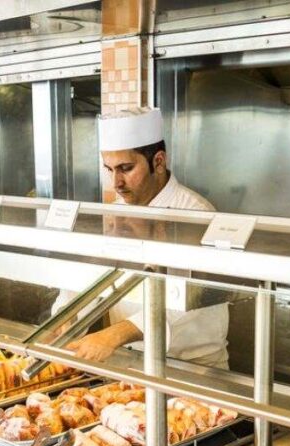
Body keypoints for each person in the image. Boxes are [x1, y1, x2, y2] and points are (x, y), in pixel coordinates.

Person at [61, 107, 229, 368]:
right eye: (109, 170)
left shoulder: (196, 215)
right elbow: (92, 274)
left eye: (126, 168)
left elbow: (186, 301)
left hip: (194, 367)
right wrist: (66, 315)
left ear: (158, 162)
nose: (116, 182)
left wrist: (116, 333)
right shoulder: (115, 212)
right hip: (131, 360)